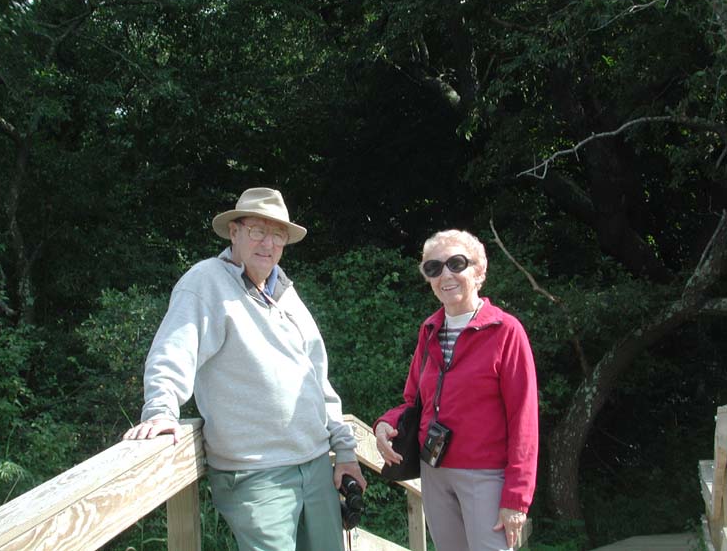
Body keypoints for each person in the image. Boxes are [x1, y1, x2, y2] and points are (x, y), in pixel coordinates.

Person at [123, 187, 366, 551]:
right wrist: (160, 409)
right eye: (257, 230)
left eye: (278, 234)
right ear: (234, 232)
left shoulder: (286, 292)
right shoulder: (206, 281)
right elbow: (174, 350)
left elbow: (318, 381)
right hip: (256, 474)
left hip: (316, 466)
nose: (268, 243)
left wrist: (344, 452)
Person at [374, 229, 538, 551]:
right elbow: (413, 401)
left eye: (456, 263)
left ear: (479, 271)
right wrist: (386, 423)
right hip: (434, 472)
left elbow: (525, 420)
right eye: (433, 268)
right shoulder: (430, 329)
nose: (444, 275)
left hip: (486, 476)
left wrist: (517, 498)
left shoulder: (506, 332)